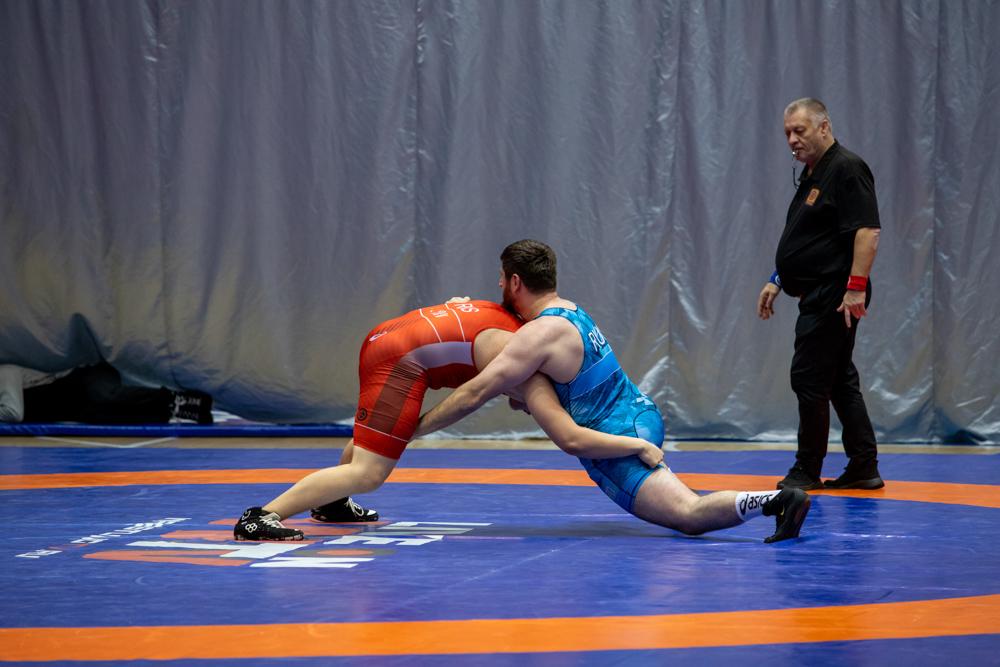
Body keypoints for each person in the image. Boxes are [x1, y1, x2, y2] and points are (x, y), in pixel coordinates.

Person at [411, 239, 810, 543]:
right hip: (639, 412)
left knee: (687, 515)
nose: (498, 284)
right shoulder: (568, 311)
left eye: (501, 278)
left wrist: (410, 429)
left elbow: (479, 396)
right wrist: (462, 310)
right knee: (678, 497)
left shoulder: (537, 336)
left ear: (516, 281)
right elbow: (505, 332)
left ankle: (778, 502)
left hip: (613, 441)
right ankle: (763, 501)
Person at [234, 299, 667, 541]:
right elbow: (568, 437)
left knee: (375, 441)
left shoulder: (519, 322)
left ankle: (330, 503)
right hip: (399, 360)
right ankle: (261, 515)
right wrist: (638, 445)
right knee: (370, 472)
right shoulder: (533, 371)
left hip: (391, 334)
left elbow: (466, 321)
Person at [757, 98, 883, 491]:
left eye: (800, 131)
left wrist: (855, 288)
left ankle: (807, 469)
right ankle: (863, 465)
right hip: (822, 290)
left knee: (809, 379)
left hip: (836, 292)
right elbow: (808, 237)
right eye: (787, 133)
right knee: (839, 379)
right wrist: (778, 278)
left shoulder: (846, 168)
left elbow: (868, 231)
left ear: (824, 127)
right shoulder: (813, 173)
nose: (792, 140)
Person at [0, 361, 213, 425]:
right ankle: (173, 412)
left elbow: (14, 413)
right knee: (101, 416)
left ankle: (176, 398)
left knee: (105, 396)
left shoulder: (5, 373)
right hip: (71, 407)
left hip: (86, 379)